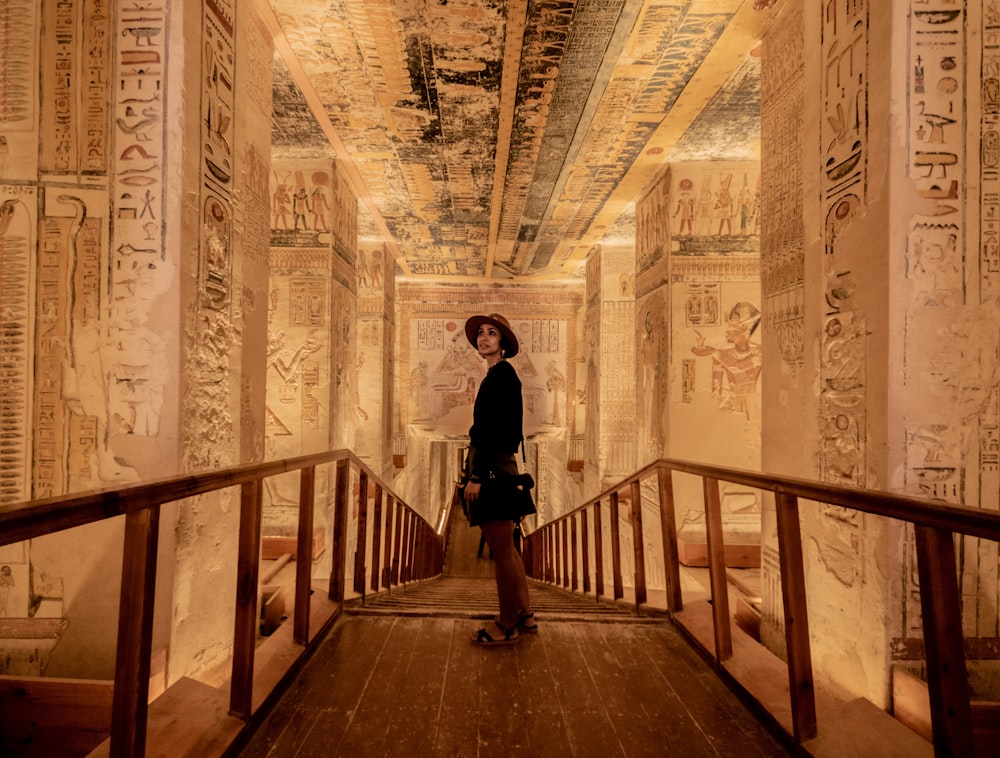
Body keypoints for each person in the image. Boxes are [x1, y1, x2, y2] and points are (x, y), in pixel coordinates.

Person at [462, 313, 537, 645]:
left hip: (492, 473)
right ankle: (525, 615)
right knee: (509, 552)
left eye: (492, 334)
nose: (484, 338)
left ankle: (506, 623)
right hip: (501, 470)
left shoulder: (501, 377)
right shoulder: (498, 376)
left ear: (503, 344)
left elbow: (494, 433)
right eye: (481, 333)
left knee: (502, 554)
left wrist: (476, 475)